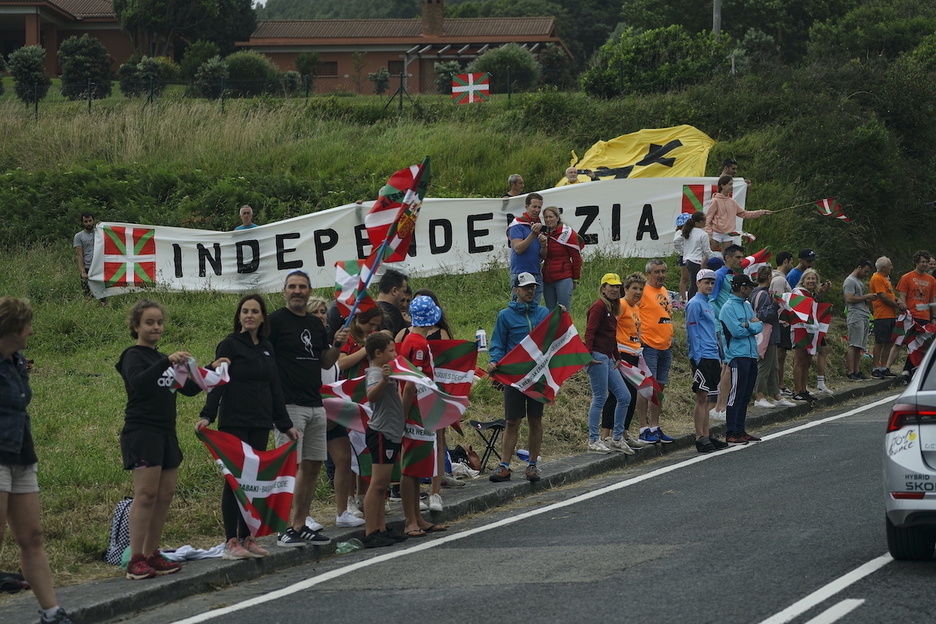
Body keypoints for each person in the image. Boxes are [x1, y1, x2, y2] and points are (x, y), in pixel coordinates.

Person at [117, 300, 224, 580]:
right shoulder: (133, 355)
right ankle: (136, 558)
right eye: (149, 322)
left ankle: (152, 553)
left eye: (159, 322)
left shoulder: (162, 357)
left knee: (164, 495)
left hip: (166, 432)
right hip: (142, 432)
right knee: (146, 495)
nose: (155, 327)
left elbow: (187, 389)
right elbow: (138, 382)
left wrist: (212, 366)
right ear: (136, 326)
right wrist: (167, 360)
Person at [196, 294, 300, 560]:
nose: (250, 315)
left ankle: (247, 537)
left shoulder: (267, 347)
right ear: (239, 316)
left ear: (262, 317)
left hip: (261, 423)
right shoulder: (229, 345)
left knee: (254, 482)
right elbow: (219, 381)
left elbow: (274, 387)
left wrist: (285, 425)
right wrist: (208, 416)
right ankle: (231, 540)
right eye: (245, 311)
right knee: (235, 482)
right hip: (235, 421)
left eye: (255, 311)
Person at [267, 271, 361, 548]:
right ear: (284, 291)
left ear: (309, 291)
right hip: (288, 405)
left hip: (315, 404)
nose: (297, 291)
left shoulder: (315, 324)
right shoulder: (273, 322)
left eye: (302, 287)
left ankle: (300, 525)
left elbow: (324, 361)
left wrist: (337, 346)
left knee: (311, 466)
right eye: (292, 287)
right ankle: (285, 527)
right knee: (290, 467)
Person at [0, 297, 77, 624]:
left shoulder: (17, 360)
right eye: (28, 325)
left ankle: (51, 612)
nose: (32, 331)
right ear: (14, 328)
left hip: (22, 452)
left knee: (32, 536)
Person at [488, 272, 551, 483]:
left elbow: (554, 338)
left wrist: (561, 317)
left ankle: (532, 465)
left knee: (535, 419)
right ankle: (504, 465)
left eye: (532, 287)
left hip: (537, 375)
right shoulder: (504, 315)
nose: (530, 291)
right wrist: (494, 362)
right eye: (525, 288)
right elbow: (498, 343)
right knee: (512, 420)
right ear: (516, 290)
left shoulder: (544, 313)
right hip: (515, 376)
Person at [398, 296, 449, 536]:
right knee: (411, 468)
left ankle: (417, 517)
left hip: (421, 409)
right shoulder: (418, 344)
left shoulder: (412, 339)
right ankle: (410, 520)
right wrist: (403, 416)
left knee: (419, 467)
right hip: (416, 411)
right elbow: (410, 385)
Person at [360, 333, 408, 548]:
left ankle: (381, 527)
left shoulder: (388, 371)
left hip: (392, 431)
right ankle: (371, 531)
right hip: (381, 432)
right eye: (391, 351)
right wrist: (385, 380)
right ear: (378, 353)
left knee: (384, 485)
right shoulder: (375, 372)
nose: (394, 354)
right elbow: (371, 395)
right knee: (378, 484)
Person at [583, 273, 634, 455]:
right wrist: (588, 356)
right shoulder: (598, 306)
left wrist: (616, 355)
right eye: (610, 286)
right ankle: (593, 439)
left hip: (608, 357)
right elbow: (590, 331)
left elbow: (611, 335)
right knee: (600, 397)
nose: (614, 289)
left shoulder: (612, 308)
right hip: (597, 356)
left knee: (624, 396)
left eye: (617, 286)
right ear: (603, 288)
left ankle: (617, 438)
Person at [603, 273, 653, 450]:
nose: (638, 292)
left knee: (631, 395)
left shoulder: (636, 308)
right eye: (634, 288)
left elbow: (635, 330)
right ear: (626, 289)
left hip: (634, 354)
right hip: (621, 353)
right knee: (618, 394)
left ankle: (623, 432)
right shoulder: (622, 304)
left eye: (641, 289)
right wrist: (612, 352)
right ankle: (606, 435)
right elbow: (610, 327)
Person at [685, 270, 730, 452]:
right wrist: (696, 356)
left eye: (712, 282)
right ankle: (699, 436)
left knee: (710, 395)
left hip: (712, 354)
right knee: (701, 396)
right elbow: (692, 331)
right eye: (706, 282)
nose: (709, 286)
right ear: (698, 283)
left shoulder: (709, 304)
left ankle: (707, 432)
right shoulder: (695, 304)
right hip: (701, 355)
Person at [718, 274, 763, 444]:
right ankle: (731, 431)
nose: (751, 289)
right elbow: (737, 332)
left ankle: (740, 429)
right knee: (736, 394)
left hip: (751, 354)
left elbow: (759, 325)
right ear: (742, 288)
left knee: (745, 394)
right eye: (750, 287)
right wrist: (751, 325)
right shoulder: (728, 307)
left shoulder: (746, 304)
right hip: (737, 355)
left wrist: (749, 325)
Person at [635, 259, 676, 445]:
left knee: (659, 388)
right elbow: (630, 312)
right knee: (646, 387)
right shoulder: (642, 291)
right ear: (648, 274)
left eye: (663, 271)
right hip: (649, 346)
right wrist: (639, 337)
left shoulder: (665, 291)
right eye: (657, 272)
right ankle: (643, 428)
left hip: (665, 346)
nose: (661, 275)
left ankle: (655, 426)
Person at [751, 266, 795, 409]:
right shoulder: (763, 295)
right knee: (764, 366)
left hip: (770, 333)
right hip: (766, 334)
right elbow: (762, 315)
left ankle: (776, 394)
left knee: (774, 366)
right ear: (769, 277)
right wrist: (776, 305)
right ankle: (759, 396)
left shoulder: (758, 293)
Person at [790, 269, 829, 402]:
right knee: (799, 360)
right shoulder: (798, 292)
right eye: (809, 278)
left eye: (814, 279)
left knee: (807, 361)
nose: (811, 281)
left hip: (811, 331)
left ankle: (804, 389)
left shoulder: (811, 295)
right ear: (803, 280)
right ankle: (797, 390)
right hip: (800, 329)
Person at [896, 250, 936, 377]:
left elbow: (932, 300)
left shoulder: (932, 280)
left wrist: (934, 317)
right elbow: (902, 296)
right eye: (923, 262)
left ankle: (915, 369)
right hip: (911, 315)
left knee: (922, 345)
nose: (925, 264)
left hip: (925, 316)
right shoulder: (906, 277)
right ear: (916, 263)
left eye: (927, 262)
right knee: (908, 343)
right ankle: (906, 368)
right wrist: (905, 312)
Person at [704, 175, 770, 250]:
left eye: (732, 184)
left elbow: (745, 214)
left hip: (728, 233)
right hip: (716, 232)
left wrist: (762, 212)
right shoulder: (715, 201)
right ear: (722, 185)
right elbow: (708, 219)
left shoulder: (732, 202)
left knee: (728, 257)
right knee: (707, 254)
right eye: (730, 184)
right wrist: (709, 234)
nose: (732, 186)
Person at [540, 206, 583, 311]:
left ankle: (565, 328)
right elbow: (542, 257)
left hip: (563, 277)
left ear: (557, 218)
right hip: (548, 278)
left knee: (563, 312)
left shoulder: (567, 233)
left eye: (551, 217)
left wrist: (575, 278)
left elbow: (576, 258)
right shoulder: (544, 233)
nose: (548, 220)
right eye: (546, 217)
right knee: (550, 313)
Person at [869, 257, 905, 378]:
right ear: (883, 267)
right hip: (882, 315)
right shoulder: (877, 278)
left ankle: (884, 367)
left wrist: (898, 301)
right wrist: (896, 305)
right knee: (880, 342)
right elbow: (883, 296)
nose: (892, 268)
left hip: (890, 315)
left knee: (889, 342)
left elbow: (890, 294)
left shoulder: (885, 279)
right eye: (890, 266)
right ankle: (875, 367)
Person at [508, 192, 547, 305]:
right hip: (520, 271)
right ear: (526, 207)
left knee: (535, 307)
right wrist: (533, 234)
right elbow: (518, 248)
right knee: (519, 306)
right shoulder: (517, 224)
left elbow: (542, 256)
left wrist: (544, 245)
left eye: (539, 207)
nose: (537, 210)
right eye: (534, 206)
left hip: (535, 271)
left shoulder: (539, 225)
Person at [843, 260, 877, 380]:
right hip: (855, 314)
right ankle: (851, 371)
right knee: (854, 344)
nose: (866, 274)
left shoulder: (858, 282)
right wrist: (865, 297)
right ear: (859, 267)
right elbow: (849, 298)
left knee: (860, 345)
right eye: (865, 271)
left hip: (863, 314)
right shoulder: (850, 281)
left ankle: (857, 370)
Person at [771, 251, 795, 396]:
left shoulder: (780, 278)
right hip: (781, 321)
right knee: (780, 354)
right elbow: (778, 300)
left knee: (782, 354)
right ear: (786, 261)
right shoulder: (779, 280)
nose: (792, 265)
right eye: (791, 262)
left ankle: (779, 384)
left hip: (782, 321)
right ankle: (778, 385)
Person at [74, 211, 104, 303]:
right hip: (88, 267)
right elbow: (79, 254)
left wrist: (103, 226)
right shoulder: (79, 236)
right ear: (82, 223)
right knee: (87, 294)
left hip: (100, 267)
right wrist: (83, 271)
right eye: (86, 221)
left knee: (102, 294)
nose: (88, 223)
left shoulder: (100, 233)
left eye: (90, 221)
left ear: (93, 220)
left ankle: (104, 310)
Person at [680, 211, 711, 299]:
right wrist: (717, 257)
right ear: (698, 222)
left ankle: (692, 300)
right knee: (695, 284)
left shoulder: (688, 231)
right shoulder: (703, 234)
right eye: (704, 220)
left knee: (693, 282)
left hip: (687, 260)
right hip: (696, 261)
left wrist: (683, 251)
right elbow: (707, 251)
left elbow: (676, 241)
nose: (705, 222)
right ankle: (691, 302)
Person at [375, 269, 409, 337]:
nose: (404, 296)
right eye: (403, 291)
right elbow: (385, 339)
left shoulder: (370, 309)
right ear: (394, 291)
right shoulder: (392, 311)